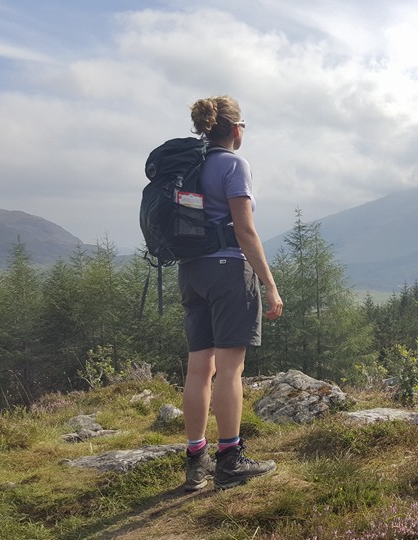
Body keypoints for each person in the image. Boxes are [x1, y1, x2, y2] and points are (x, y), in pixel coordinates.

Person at [181, 95, 283, 491]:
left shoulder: (191, 164)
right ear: (237, 129)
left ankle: (195, 461)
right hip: (227, 270)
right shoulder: (234, 164)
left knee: (198, 368)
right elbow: (245, 231)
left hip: (191, 271)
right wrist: (269, 284)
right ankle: (230, 460)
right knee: (230, 369)